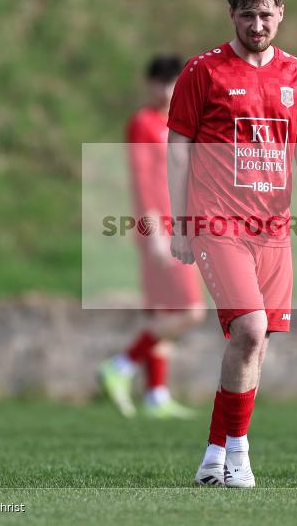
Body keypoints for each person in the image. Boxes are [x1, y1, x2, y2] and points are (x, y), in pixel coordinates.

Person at [166, 0, 297, 487]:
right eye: (246, 15)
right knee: (250, 328)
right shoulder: (203, 72)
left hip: (273, 228)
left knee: (255, 344)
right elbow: (177, 151)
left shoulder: (295, 73)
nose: (256, 25)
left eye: (265, 15)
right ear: (230, 15)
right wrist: (181, 222)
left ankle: (216, 456)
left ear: (281, 14)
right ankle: (238, 453)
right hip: (218, 223)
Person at [99, 56, 207, 419]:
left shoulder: (184, 124)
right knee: (192, 311)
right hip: (160, 230)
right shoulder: (143, 124)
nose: (166, 90)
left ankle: (156, 396)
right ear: (149, 85)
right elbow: (144, 181)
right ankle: (122, 364)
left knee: (166, 313)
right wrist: (157, 232)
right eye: (159, 83)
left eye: (172, 82)